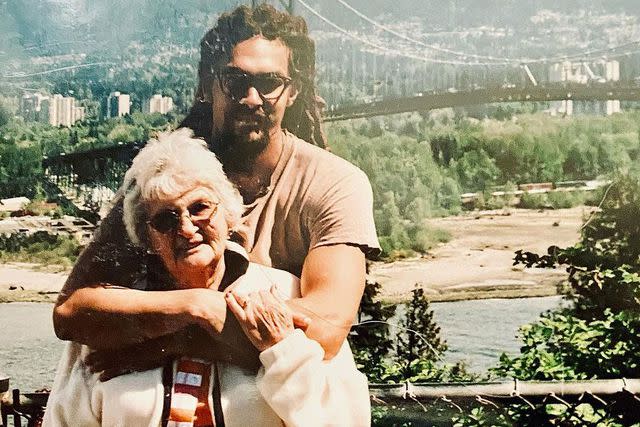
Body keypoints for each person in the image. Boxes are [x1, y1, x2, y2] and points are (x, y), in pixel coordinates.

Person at [53, 4, 379, 378]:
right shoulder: (165, 179)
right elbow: (70, 313)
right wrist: (199, 307)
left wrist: (176, 342)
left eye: (270, 83)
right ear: (209, 85)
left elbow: (327, 330)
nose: (253, 98)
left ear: (293, 93)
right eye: (236, 82)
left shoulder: (334, 183)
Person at [43, 130, 370, 426]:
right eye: (165, 220)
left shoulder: (283, 293)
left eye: (199, 207)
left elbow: (341, 418)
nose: (185, 228)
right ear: (148, 239)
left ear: (229, 213)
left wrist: (283, 354)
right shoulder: (115, 315)